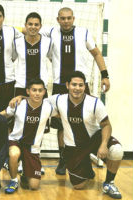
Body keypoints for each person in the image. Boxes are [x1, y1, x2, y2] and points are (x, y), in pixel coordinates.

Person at [44, 7, 111, 175]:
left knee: (84, 120)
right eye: (62, 18)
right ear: (57, 19)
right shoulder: (51, 32)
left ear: (73, 18)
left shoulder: (84, 33)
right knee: (61, 124)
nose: (66, 21)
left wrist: (105, 75)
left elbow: (96, 53)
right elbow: (29, 30)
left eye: (68, 18)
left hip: (80, 85)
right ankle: (63, 159)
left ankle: (85, 153)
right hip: (60, 84)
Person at [49, 71, 122, 199]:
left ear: (85, 86)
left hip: (94, 140)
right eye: (74, 85)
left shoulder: (94, 102)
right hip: (73, 147)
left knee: (116, 150)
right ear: (67, 85)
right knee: (78, 186)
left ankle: (109, 183)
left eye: (81, 85)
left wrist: (104, 144)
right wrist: (21, 98)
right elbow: (36, 101)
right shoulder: (58, 99)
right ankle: (87, 168)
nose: (77, 88)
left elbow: (106, 125)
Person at [0, 78, 56, 194]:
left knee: (34, 186)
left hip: (33, 147)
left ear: (44, 92)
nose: (37, 93)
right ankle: (14, 180)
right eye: (34, 90)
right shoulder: (18, 104)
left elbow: (64, 114)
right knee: (14, 154)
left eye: (40, 90)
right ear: (28, 91)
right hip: (16, 141)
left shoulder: (49, 107)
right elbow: (3, 115)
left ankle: (25, 175)